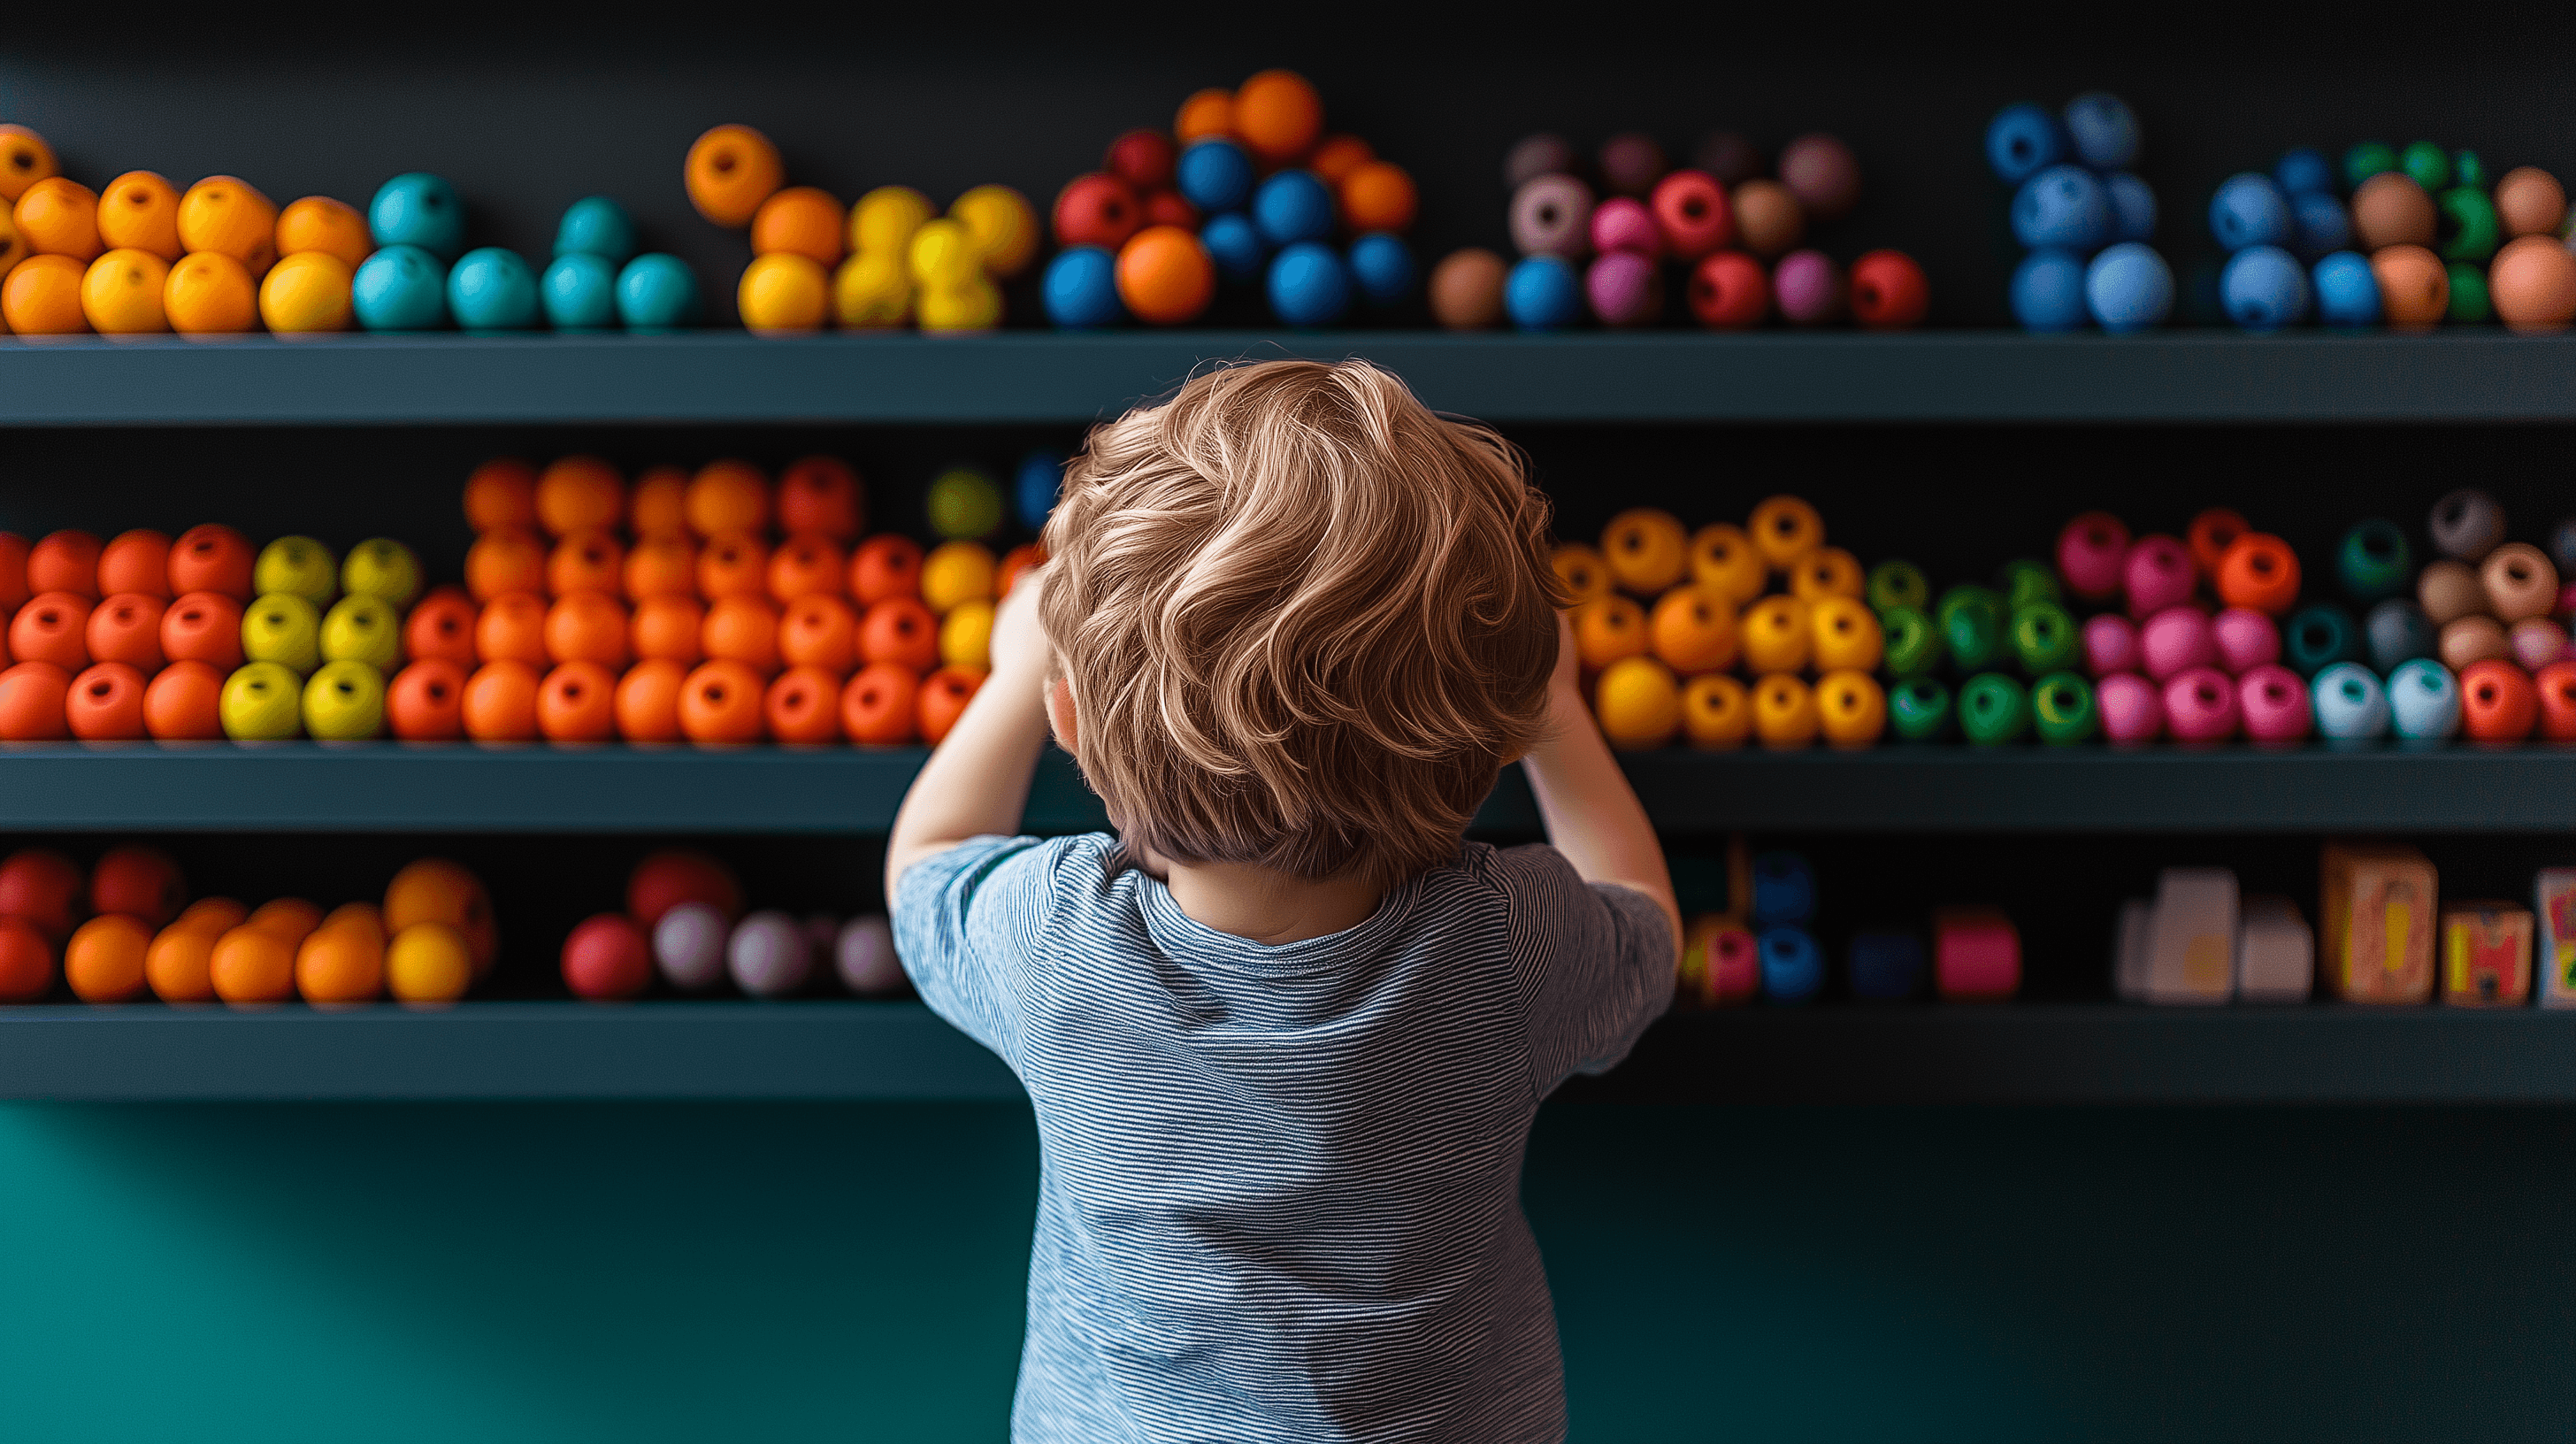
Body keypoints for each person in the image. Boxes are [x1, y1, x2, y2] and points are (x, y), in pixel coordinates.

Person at [886, 357, 1678, 1443]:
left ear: (1069, 722)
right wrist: (1563, 711)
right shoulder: (1507, 947)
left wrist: (1009, 676)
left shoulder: (1047, 941)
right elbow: (1645, 926)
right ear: (1493, 742)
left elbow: (923, 867)